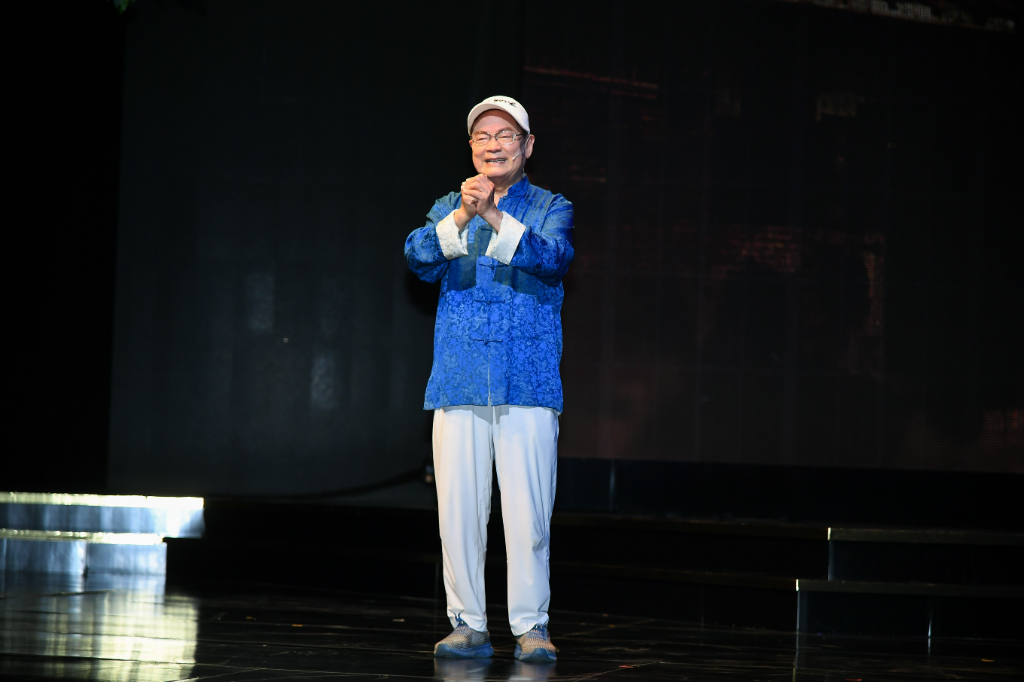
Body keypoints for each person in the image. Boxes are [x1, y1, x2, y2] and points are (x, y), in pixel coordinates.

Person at [404, 96, 574, 662]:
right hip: (459, 379)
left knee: (528, 516)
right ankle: (467, 623)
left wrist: (494, 216)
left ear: (527, 146)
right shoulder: (447, 206)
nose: (493, 145)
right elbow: (418, 258)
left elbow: (552, 258)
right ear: (471, 148)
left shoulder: (551, 205)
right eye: (482, 137)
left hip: (527, 382)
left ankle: (531, 627)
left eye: (505, 135)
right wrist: (461, 215)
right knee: (458, 512)